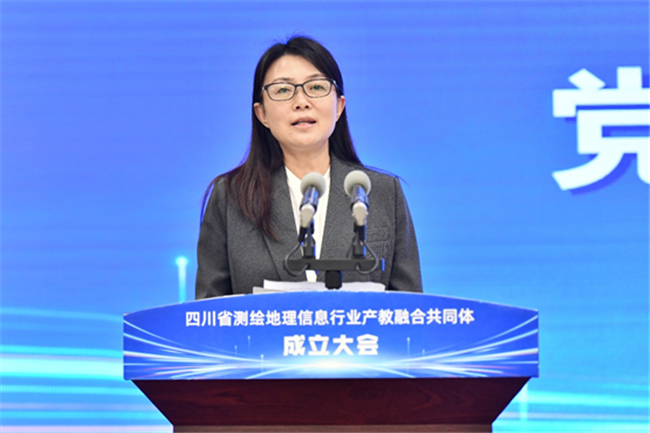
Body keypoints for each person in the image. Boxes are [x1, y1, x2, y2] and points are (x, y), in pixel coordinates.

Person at [196, 36, 422, 298]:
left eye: (316, 87)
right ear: (262, 114)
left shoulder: (381, 193)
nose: (301, 101)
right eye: (283, 90)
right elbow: (207, 314)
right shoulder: (231, 197)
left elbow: (412, 312)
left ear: (339, 106)